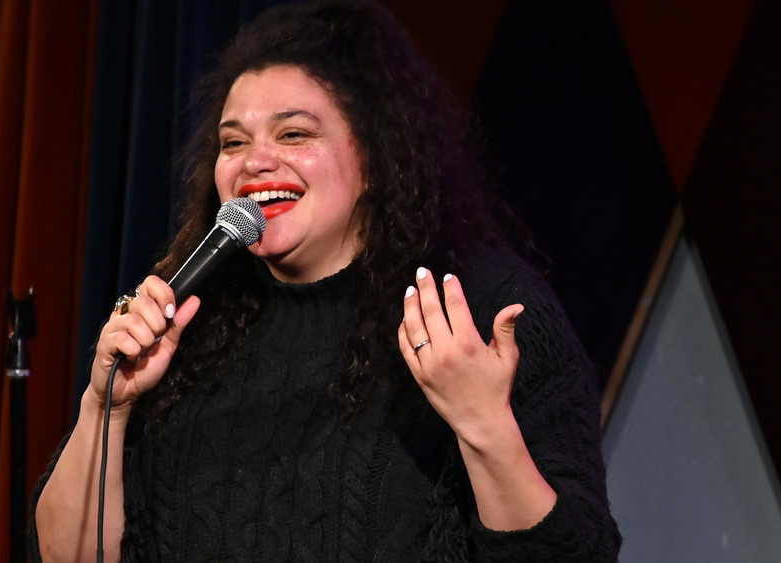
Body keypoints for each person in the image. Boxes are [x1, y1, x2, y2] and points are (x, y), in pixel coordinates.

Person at [31, 0, 621, 561]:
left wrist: (486, 427)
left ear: (375, 155)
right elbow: (65, 555)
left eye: (293, 134)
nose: (254, 162)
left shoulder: (477, 305)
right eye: (232, 142)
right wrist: (103, 411)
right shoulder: (184, 319)